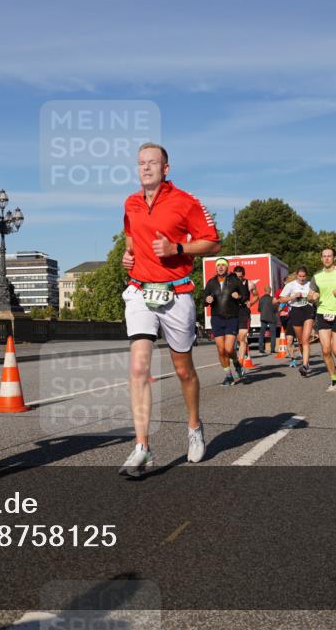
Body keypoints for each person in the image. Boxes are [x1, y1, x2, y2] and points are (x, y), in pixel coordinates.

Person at [118, 143, 220, 477]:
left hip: (176, 293)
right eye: (141, 163)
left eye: (152, 163)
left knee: (183, 370)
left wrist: (177, 247)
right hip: (139, 291)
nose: (145, 168)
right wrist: (128, 256)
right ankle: (142, 447)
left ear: (166, 168)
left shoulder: (186, 202)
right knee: (138, 367)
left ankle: (194, 427)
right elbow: (131, 237)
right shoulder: (131, 203)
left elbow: (212, 242)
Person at [312, 248, 336, 392]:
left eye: (329, 256)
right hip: (322, 314)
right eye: (324, 256)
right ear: (321, 258)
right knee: (326, 349)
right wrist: (312, 297)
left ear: (334, 258)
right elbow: (311, 294)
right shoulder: (317, 276)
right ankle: (334, 380)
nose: (327, 258)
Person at [203, 258, 245, 386]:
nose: (220, 267)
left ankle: (236, 362)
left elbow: (245, 296)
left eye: (223, 265)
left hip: (232, 318)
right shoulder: (211, 283)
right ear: (216, 268)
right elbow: (204, 300)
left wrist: (239, 297)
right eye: (218, 265)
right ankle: (228, 376)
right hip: (216, 319)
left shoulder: (235, 281)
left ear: (227, 268)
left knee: (228, 348)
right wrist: (207, 300)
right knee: (221, 350)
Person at [278, 267, 317, 377]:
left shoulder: (310, 284)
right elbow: (281, 299)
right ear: (296, 275)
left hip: (308, 310)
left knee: (306, 339)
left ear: (306, 276)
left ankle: (305, 365)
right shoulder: (290, 285)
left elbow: (315, 297)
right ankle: (304, 357)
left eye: (304, 276)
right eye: (300, 276)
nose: (302, 278)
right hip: (295, 311)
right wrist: (293, 296)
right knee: (300, 340)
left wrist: (313, 297)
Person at [231, 265, 257, 369]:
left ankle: (240, 364)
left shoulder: (249, 284)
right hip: (232, 312)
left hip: (244, 312)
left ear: (244, 275)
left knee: (241, 337)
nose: (239, 279)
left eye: (240, 277)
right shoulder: (229, 285)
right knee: (237, 338)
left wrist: (251, 302)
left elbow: (256, 295)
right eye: (236, 277)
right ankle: (243, 352)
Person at [257, 286, 278, 356]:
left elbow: (259, 309)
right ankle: (272, 350)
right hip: (272, 318)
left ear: (264, 290)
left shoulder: (261, 299)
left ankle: (261, 350)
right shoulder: (272, 299)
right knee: (273, 334)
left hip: (263, 317)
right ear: (270, 291)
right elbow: (276, 309)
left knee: (261, 334)